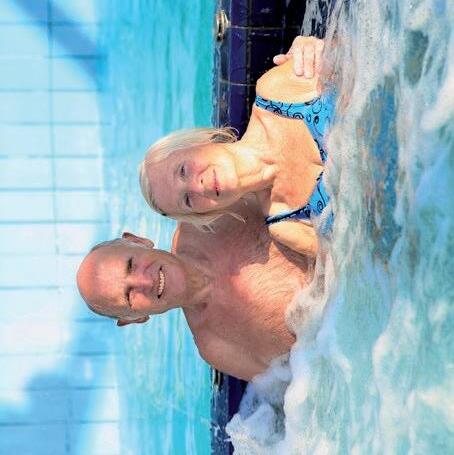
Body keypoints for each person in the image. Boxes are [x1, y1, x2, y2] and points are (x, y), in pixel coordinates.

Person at [139, 36, 334, 257]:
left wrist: (322, 47)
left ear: (196, 143)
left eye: (183, 170)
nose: (197, 186)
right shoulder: (288, 226)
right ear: (206, 213)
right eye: (188, 200)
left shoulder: (276, 94)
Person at [76, 200, 314, 381]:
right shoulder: (217, 348)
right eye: (129, 295)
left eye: (131, 264)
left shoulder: (210, 213)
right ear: (135, 318)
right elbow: (307, 387)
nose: (144, 281)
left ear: (138, 241)